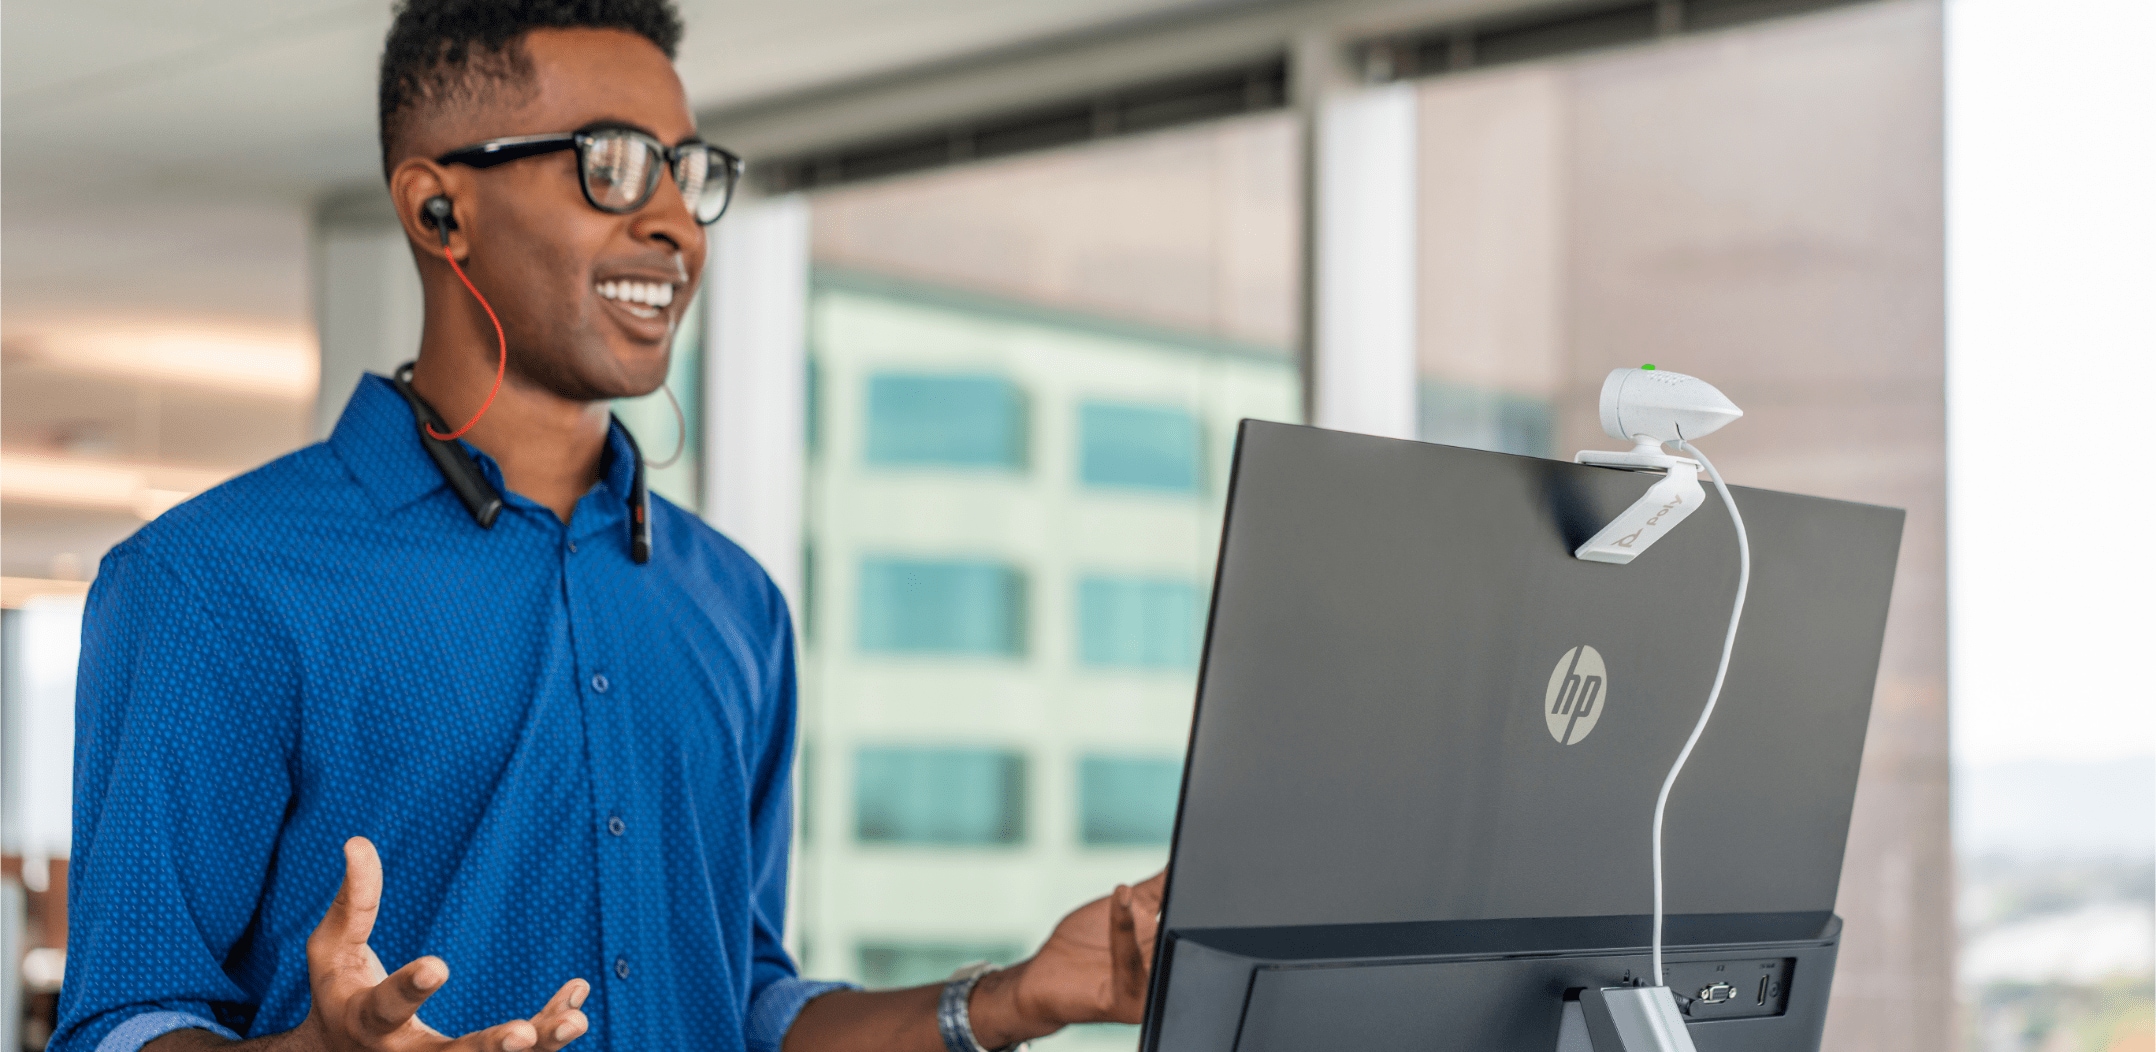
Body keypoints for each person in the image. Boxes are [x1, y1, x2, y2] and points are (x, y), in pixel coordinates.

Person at [52, 3, 1164, 1051]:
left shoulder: (733, 603)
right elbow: (123, 1018)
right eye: (612, 163)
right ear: (440, 207)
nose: (675, 220)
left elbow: (743, 994)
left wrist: (1012, 996)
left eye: (686, 173)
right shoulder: (213, 580)